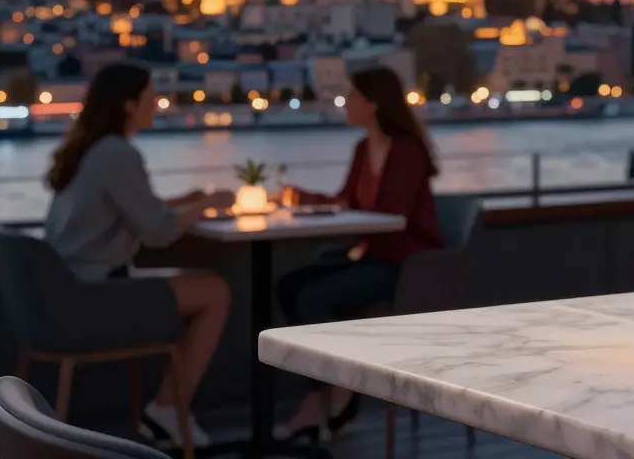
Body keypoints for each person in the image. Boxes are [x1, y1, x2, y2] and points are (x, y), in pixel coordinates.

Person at [43, 63, 235, 449]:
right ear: (130, 105)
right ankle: (167, 408)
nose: (158, 104)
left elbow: (136, 209)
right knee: (214, 291)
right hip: (95, 295)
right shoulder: (118, 153)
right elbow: (159, 231)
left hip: (65, 291)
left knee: (199, 287)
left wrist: (185, 201)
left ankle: (166, 410)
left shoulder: (91, 150)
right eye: (151, 97)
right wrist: (209, 203)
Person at [275, 66, 441, 440]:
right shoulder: (363, 149)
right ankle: (328, 393)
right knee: (289, 286)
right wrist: (299, 197)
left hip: (405, 265)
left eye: (351, 96)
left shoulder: (406, 151)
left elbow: (391, 217)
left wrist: (339, 214)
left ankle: (334, 395)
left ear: (372, 104)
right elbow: (346, 202)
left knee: (313, 297)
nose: (345, 103)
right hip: (370, 256)